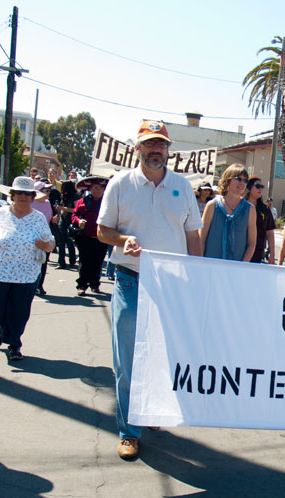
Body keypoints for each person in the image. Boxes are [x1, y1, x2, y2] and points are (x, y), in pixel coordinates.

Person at [97, 120, 202, 460]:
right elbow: (102, 230)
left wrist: (197, 276)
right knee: (127, 359)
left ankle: (153, 411)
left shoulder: (182, 187)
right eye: (149, 144)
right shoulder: (120, 184)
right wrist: (121, 239)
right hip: (131, 279)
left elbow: (193, 236)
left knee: (163, 355)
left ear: (168, 150)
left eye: (161, 144)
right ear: (138, 148)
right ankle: (129, 430)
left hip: (172, 285)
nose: (156, 150)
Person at [0, 176, 55, 361]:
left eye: (27, 193)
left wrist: (45, 245)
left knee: (19, 311)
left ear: (33, 197)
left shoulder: (38, 218)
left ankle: (14, 345)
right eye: (19, 193)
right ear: (12, 195)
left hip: (26, 275)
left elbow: (50, 244)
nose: (23, 197)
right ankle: (0, 329)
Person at [199, 164, 256, 262]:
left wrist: (242, 265)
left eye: (245, 180)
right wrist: (201, 263)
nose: (242, 183)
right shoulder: (212, 205)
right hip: (211, 266)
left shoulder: (250, 209)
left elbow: (252, 243)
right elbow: (201, 238)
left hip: (236, 269)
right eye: (238, 179)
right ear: (227, 180)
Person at [72, 175, 109, 296]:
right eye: (94, 188)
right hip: (85, 237)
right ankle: (82, 286)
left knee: (97, 262)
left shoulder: (108, 202)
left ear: (103, 189)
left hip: (102, 237)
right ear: (90, 189)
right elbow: (74, 216)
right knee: (84, 262)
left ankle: (95, 284)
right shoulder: (82, 201)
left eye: (99, 188)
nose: (96, 190)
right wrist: (78, 221)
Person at [31, 181, 57, 295]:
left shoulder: (47, 203)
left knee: (43, 261)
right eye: (45, 190)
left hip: (45, 236)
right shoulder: (30, 203)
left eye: (48, 190)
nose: (48, 192)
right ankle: (31, 284)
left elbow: (49, 219)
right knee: (32, 261)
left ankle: (39, 285)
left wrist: (54, 220)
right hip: (31, 237)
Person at [245, 176, 275, 264]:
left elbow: (269, 233)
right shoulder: (239, 206)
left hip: (257, 253)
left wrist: (272, 256)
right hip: (238, 251)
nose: (260, 189)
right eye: (257, 186)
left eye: (262, 186)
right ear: (249, 187)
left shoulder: (265, 209)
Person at [56, 179, 78, 269]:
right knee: (61, 243)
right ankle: (61, 262)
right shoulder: (63, 197)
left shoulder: (74, 196)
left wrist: (63, 208)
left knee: (69, 242)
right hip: (63, 221)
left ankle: (72, 261)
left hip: (70, 221)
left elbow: (76, 209)